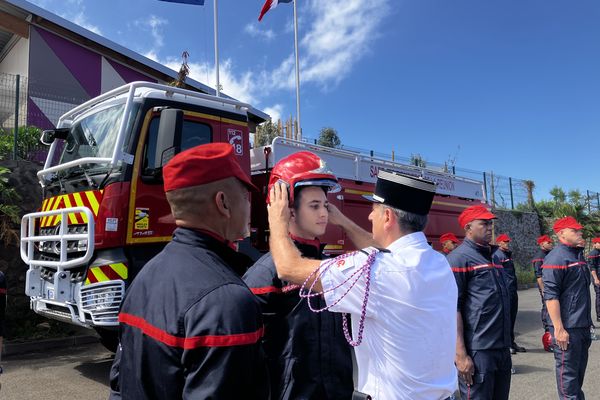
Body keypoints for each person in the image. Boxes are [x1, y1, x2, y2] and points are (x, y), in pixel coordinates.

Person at [267, 170, 458, 399]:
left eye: (373, 211)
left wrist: (277, 222)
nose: (369, 218)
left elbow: (289, 267)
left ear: (387, 217)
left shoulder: (376, 272)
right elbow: (382, 252)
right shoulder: (438, 262)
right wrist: (343, 221)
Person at [109, 143, 268, 399]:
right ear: (223, 202)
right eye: (245, 196)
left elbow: (119, 383)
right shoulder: (227, 301)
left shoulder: (144, 277)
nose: (249, 207)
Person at [243, 151, 353, 399]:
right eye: (314, 206)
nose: (324, 214)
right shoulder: (264, 276)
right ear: (287, 209)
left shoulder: (332, 267)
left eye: (325, 205)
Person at [447, 205, 512, 400]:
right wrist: (460, 355)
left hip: (501, 348)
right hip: (478, 351)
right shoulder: (458, 259)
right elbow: (452, 309)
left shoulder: (495, 257)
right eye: (484, 223)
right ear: (468, 227)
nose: (490, 227)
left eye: (491, 223)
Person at [542, 216, 592, 399]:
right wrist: (559, 329)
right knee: (568, 382)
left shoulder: (576, 255)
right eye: (575, 231)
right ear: (561, 233)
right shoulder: (556, 258)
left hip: (581, 326)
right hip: (568, 329)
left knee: (577, 379)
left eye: (580, 230)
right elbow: (551, 296)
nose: (580, 233)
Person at [493, 234, 526, 354]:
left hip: (512, 290)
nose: (507, 243)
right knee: (505, 319)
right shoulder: (497, 255)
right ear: (499, 243)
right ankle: (506, 345)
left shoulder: (507, 254)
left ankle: (511, 342)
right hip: (505, 291)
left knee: (512, 317)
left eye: (508, 242)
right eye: (505, 242)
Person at [532, 234, 554, 351]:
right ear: (542, 244)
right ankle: (547, 334)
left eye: (551, 242)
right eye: (548, 242)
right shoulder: (539, 257)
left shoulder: (549, 255)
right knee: (547, 309)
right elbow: (539, 276)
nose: (551, 244)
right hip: (546, 288)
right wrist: (543, 290)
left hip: (552, 287)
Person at [588, 238, 600, 322]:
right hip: (597, 277)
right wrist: (596, 279)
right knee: (599, 296)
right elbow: (592, 267)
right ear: (595, 244)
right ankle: (599, 315)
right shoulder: (593, 253)